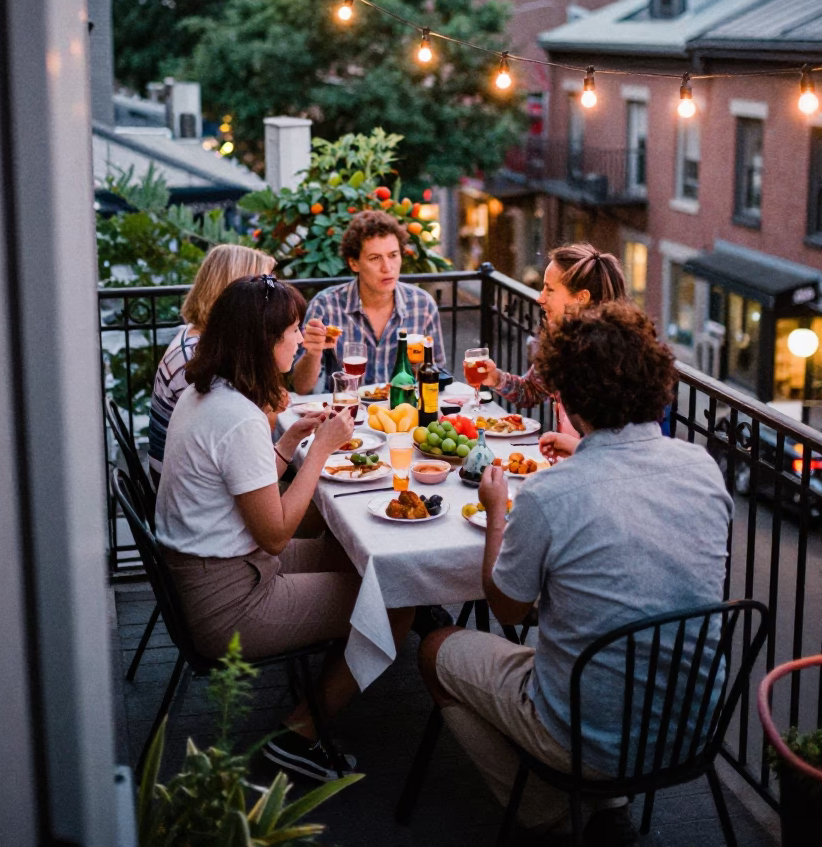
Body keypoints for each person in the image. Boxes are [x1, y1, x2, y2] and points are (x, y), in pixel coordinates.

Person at [418, 302, 732, 844]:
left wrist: (497, 512)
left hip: (587, 735)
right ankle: (607, 806)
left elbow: (508, 609)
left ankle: (547, 813)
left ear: (572, 396)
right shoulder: (701, 468)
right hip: (692, 726)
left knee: (434, 648)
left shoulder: (549, 493)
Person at [155, 273, 414, 781]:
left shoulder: (208, 393)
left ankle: (321, 685)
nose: (300, 339)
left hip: (217, 568)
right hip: (228, 602)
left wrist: (288, 440)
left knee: (350, 554)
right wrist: (316, 452)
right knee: (396, 601)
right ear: (261, 340)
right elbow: (274, 534)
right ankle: (302, 732)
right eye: (292, 331)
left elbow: (243, 487)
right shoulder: (236, 416)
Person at [479, 242, 626, 458]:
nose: (540, 298)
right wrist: (496, 378)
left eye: (550, 289)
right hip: (566, 465)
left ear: (581, 298)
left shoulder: (614, 357)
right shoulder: (561, 340)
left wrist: (576, 447)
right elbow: (532, 391)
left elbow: (619, 447)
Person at [147, 243, 276, 480]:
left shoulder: (196, 339)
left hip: (185, 479)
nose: (272, 299)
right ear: (235, 292)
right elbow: (248, 447)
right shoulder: (199, 360)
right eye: (265, 288)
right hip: (191, 495)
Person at [292, 210, 445, 393]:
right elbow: (301, 387)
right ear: (354, 263)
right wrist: (313, 353)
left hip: (402, 414)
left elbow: (438, 375)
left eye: (393, 255)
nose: (387, 268)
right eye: (375, 258)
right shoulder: (326, 305)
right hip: (347, 415)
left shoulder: (423, 305)